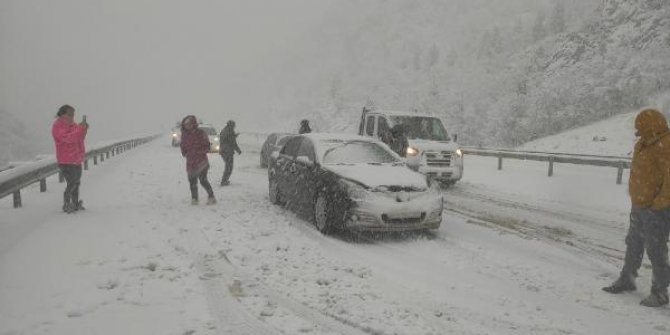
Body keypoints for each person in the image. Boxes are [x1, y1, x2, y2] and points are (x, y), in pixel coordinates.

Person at [602, 107, 670, 307]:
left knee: (656, 249)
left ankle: (660, 292)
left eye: (640, 128)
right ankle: (627, 279)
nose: (637, 132)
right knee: (633, 243)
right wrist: (636, 198)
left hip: (657, 208)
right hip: (639, 204)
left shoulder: (666, 144)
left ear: (651, 126)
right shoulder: (644, 143)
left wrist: (659, 204)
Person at [52, 104, 88, 213]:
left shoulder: (73, 125)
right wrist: (79, 130)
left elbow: (80, 138)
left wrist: (84, 129)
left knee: (76, 182)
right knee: (72, 182)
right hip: (66, 160)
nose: (72, 117)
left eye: (73, 114)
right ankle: (67, 204)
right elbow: (68, 139)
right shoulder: (58, 126)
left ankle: (75, 203)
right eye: (69, 114)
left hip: (76, 158)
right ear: (62, 114)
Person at [180, 115, 216, 205]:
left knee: (203, 180)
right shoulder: (184, 135)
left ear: (193, 124)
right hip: (190, 162)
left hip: (202, 162)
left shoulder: (201, 133)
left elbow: (207, 147)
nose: (187, 126)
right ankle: (194, 198)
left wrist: (198, 152)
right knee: (192, 182)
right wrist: (184, 152)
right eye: (185, 124)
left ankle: (211, 197)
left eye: (189, 124)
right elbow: (183, 146)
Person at [219, 120, 242, 186]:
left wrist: (234, 136)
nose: (234, 127)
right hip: (227, 152)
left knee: (228, 166)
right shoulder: (230, 131)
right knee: (229, 167)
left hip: (223, 151)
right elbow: (232, 142)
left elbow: (227, 139)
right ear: (231, 125)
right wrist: (238, 150)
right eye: (234, 125)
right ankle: (224, 181)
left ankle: (224, 180)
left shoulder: (225, 130)